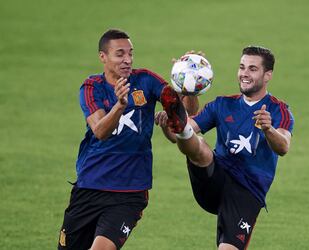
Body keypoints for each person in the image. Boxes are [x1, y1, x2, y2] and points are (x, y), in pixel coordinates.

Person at [57, 29, 198, 250]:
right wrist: (119, 106)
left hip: (129, 193)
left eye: (130, 53)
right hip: (90, 187)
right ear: (103, 57)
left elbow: (183, 116)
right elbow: (100, 131)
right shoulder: (91, 87)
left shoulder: (146, 80)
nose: (127, 60)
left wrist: (188, 84)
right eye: (120, 54)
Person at [157, 46, 294, 250]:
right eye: (242, 67)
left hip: (247, 191)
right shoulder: (222, 104)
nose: (244, 73)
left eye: (252, 69)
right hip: (216, 178)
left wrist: (268, 129)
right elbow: (176, 139)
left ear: (268, 76)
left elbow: (283, 147)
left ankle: (181, 124)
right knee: (199, 144)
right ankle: (180, 123)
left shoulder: (278, 109)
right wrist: (185, 90)